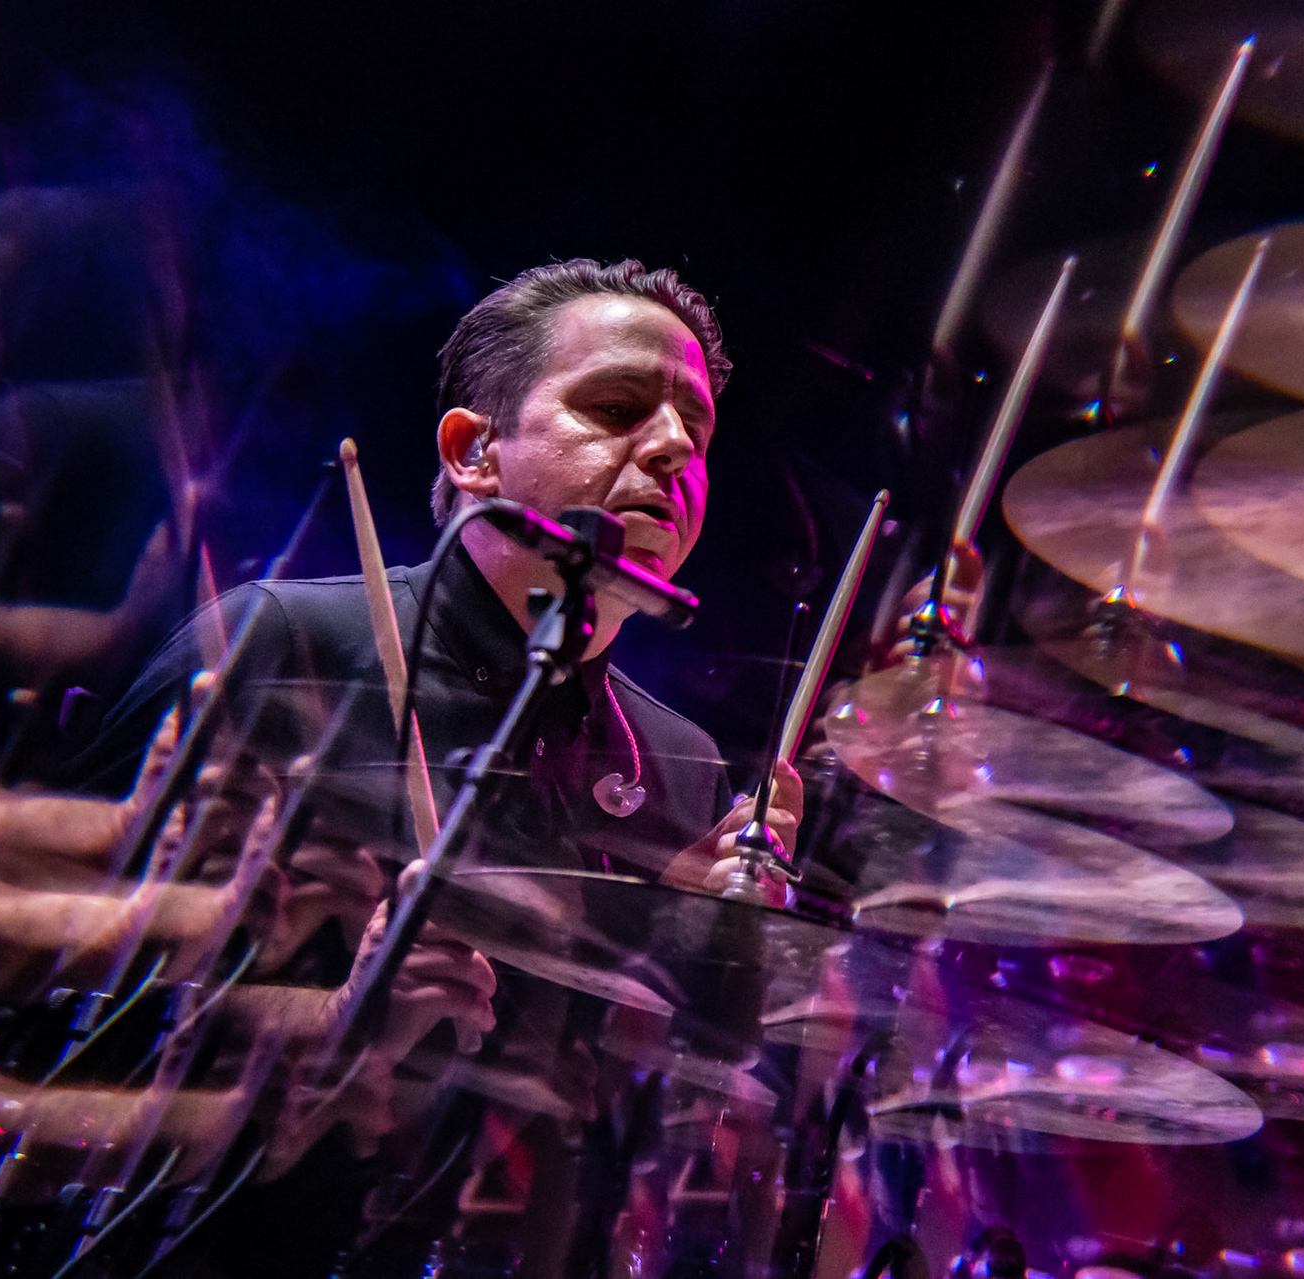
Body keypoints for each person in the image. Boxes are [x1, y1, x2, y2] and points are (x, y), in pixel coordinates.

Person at [65, 259, 805, 1276]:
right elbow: (54, 986)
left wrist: (702, 957)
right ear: (474, 452)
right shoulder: (280, 649)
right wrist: (331, 1020)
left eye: (696, 430)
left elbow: (648, 1123)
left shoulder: (681, 766)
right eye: (616, 408)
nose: (676, 446)